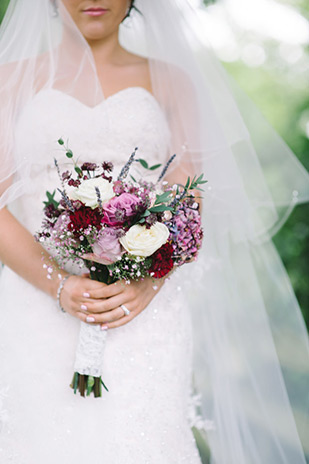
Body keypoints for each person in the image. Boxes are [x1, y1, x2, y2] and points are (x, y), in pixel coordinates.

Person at [0, 1, 308, 463]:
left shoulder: (171, 80)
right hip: (33, 303)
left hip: (142, 311)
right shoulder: (10, 80)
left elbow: (188, 198)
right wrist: (59, 287)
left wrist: (149, 281)